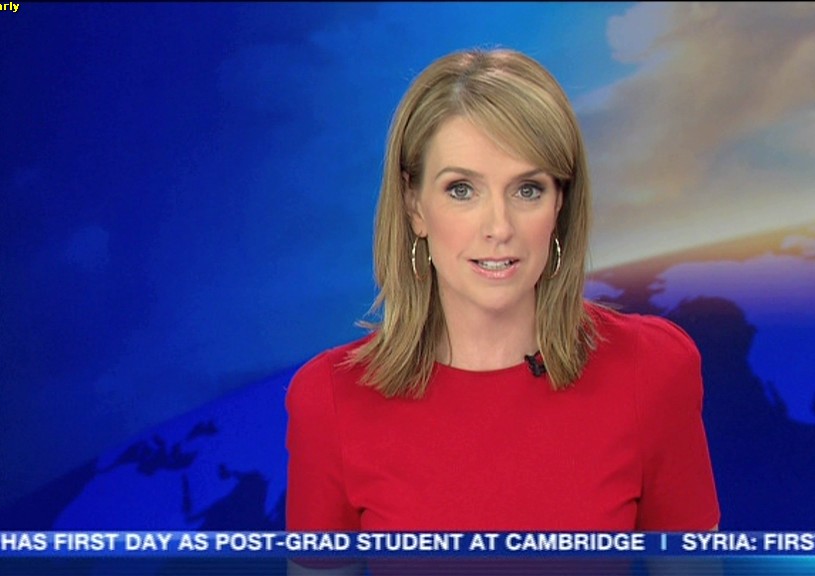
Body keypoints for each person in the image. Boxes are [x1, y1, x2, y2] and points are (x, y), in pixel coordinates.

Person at [285, 47, 719, 535]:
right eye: (462, 190)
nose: (499, 227)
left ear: (560, 204)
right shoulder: (330, 401)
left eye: (527, 189)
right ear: (414, 205)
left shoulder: (652, 371)